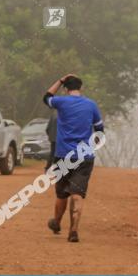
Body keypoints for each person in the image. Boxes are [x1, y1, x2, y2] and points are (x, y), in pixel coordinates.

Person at [43, 74, 104, 243]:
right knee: (78, 195)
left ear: (65, 88)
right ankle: (74, 230)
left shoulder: (61, 102)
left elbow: (46, 97)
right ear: (81, 88)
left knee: (62, 194)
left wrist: (60, 80)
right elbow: (99, 130)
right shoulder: (91, 105)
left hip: (63, 155)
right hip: (84, 157)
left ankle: (56, 222)